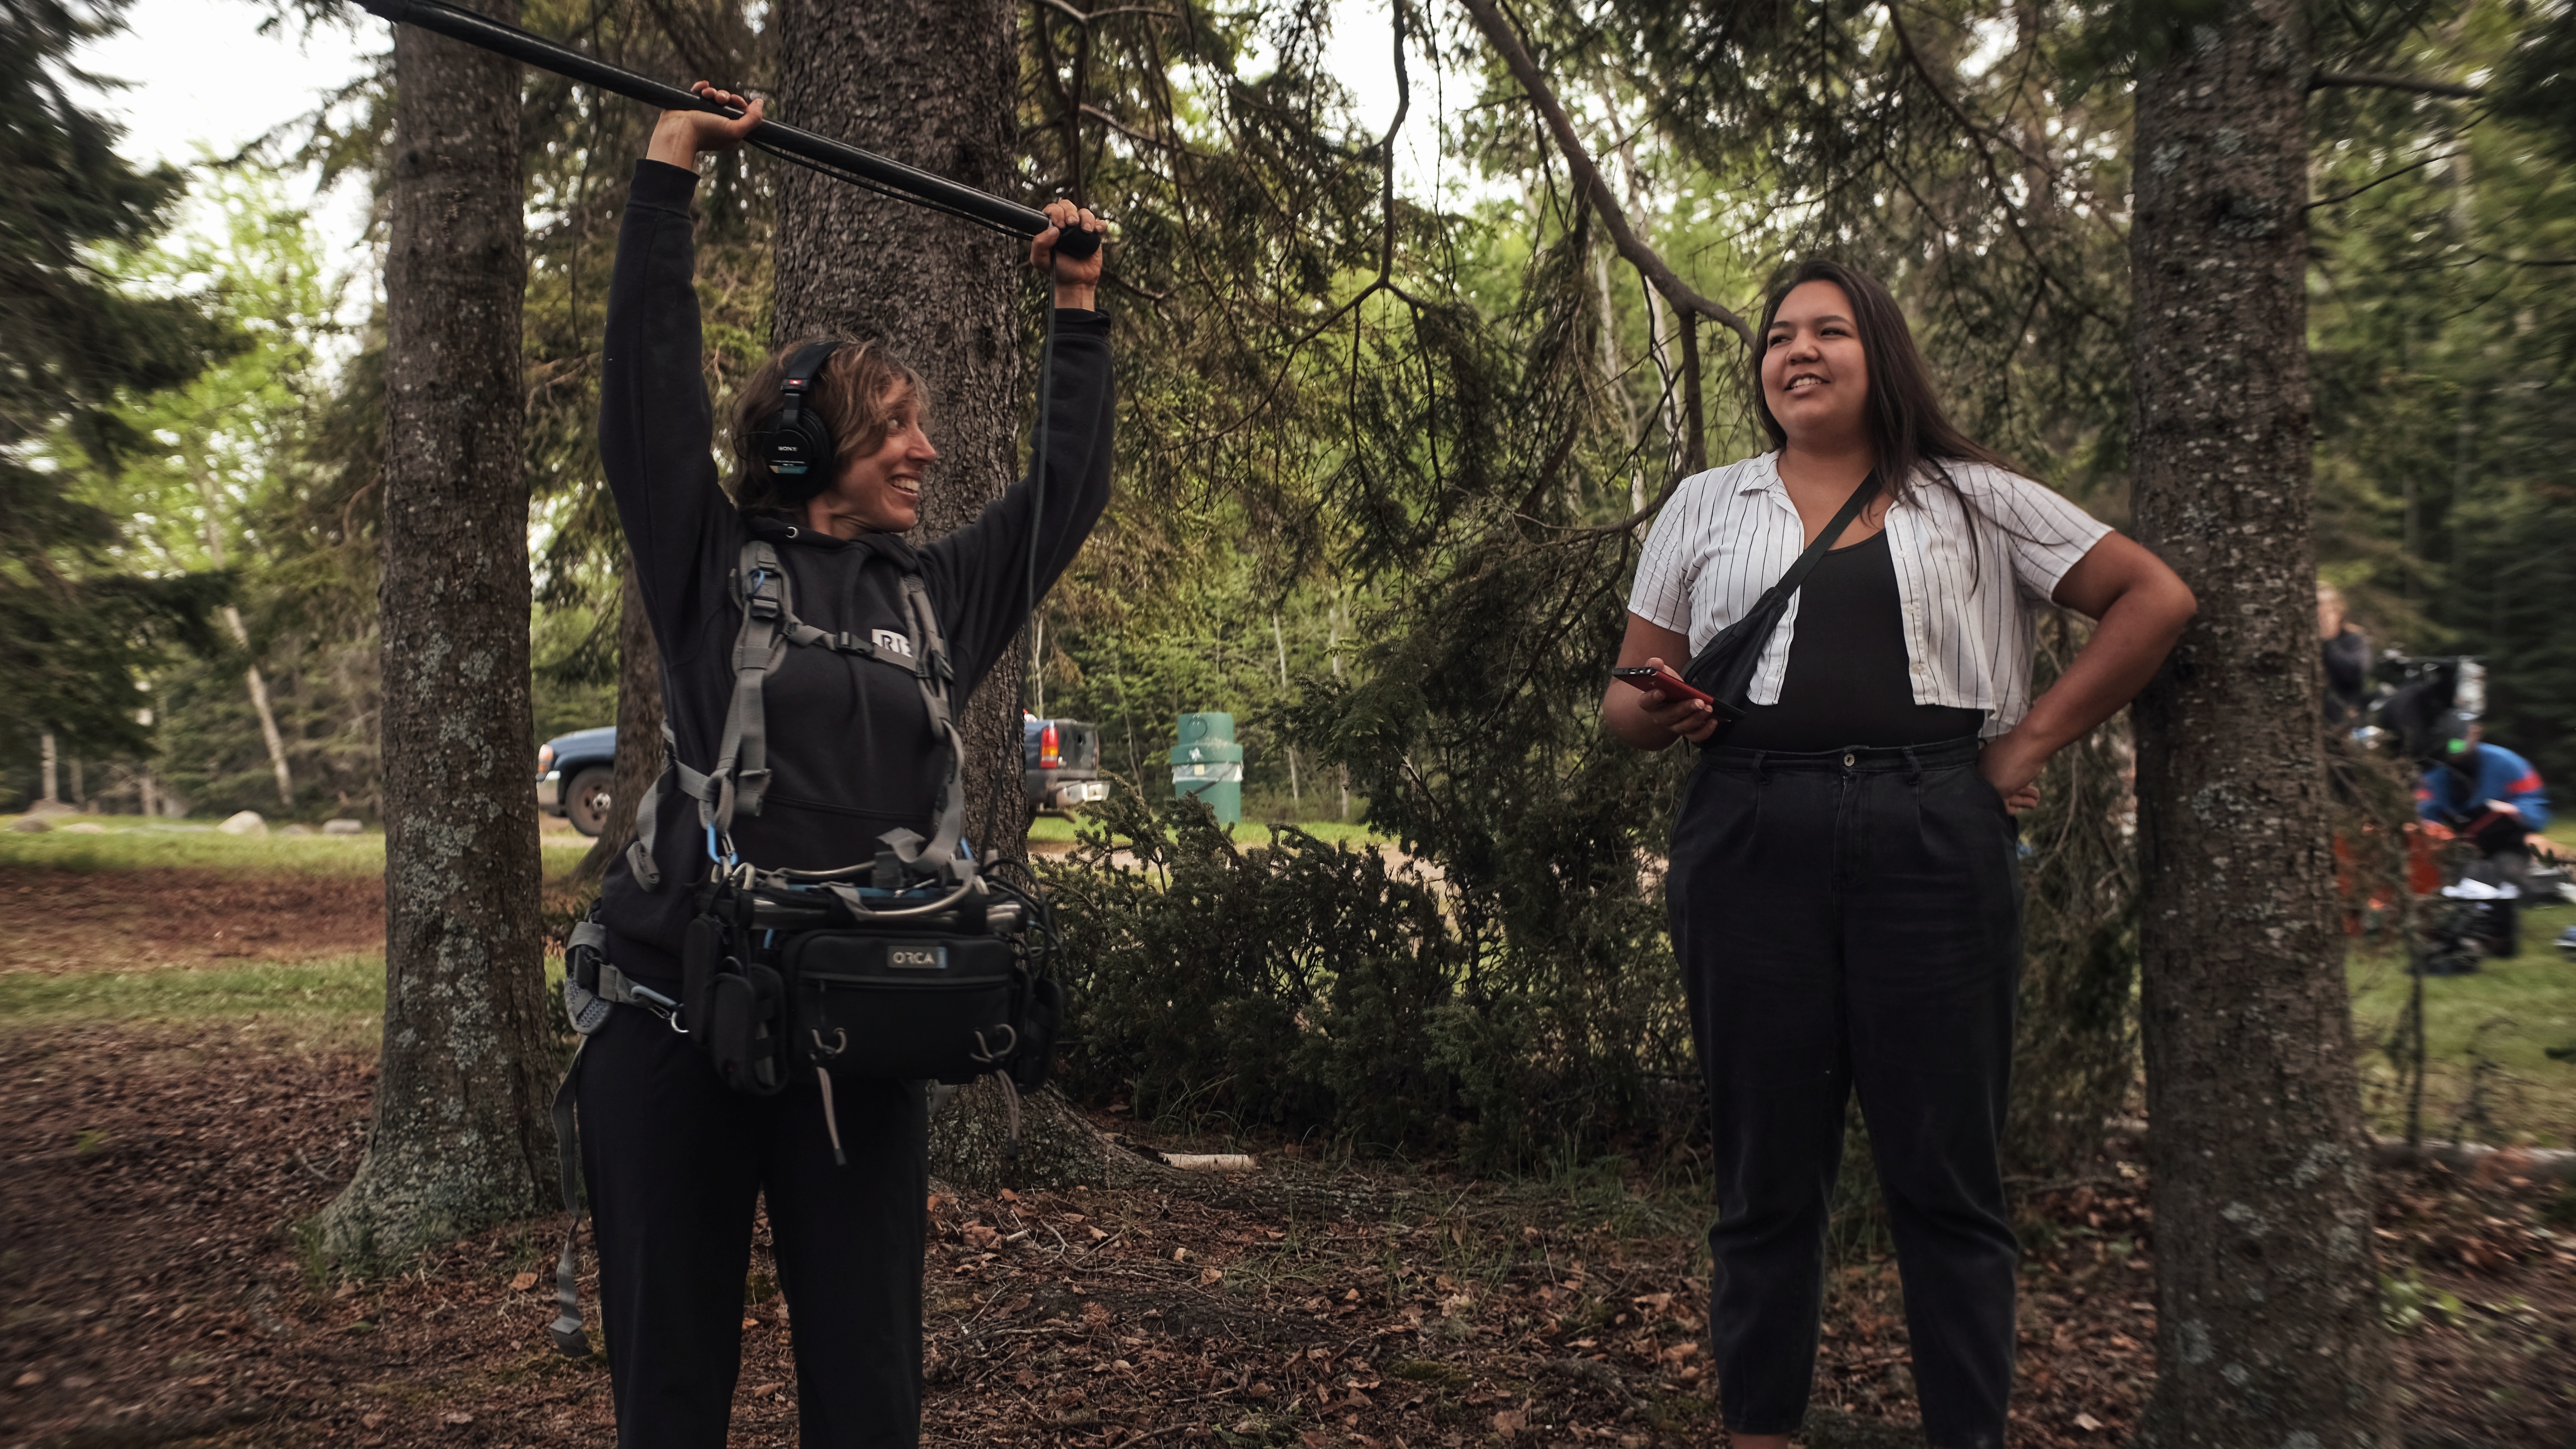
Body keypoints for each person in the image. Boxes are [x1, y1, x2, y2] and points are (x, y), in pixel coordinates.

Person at [575, 85, 1111, 1448]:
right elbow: (647, 395)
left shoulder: (939, 594)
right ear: (812, 447)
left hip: (853, 1038)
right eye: (892, 431)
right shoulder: (710, 568)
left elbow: (1070, 487)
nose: (925, 452)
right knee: (672, 1389)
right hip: (671, 1022)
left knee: (868, 1395)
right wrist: (669, 173)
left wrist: (1076, 309)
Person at [1601, 260, 2196, 1449]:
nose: (1798, 352)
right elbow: (1621, 704)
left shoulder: (1976, 497)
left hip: (1934, 837)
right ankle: (1760, 1430)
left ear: (1881, 353)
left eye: (1829, 330)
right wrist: (1659, 710)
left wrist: (2028, 743)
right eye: (1779, 337)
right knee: (1767, 1182)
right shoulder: (1703, 505)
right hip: (1748, 833)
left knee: (1947, 1181)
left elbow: (2154, 599)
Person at [2417, 714, 2550, 958]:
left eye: (2457, 745)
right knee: (2458, 879)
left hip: (2508, 842)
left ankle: (2497, 933)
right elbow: (2425, 814)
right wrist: (2433, 830)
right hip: (2460, 845)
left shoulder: (2509, 764)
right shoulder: (2435, 775)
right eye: (2445, 748)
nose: (2452, 753)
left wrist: (2518, 813)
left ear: (2475, 734)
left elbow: (2536, 805)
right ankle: (2454, 929)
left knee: (2503, 874)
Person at [2318, 582, 2370, 727]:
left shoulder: (2353, 639)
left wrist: (2329, 642)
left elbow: (2354, 672)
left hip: (2344, 720)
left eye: (2327, 612)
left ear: (2338, 612)